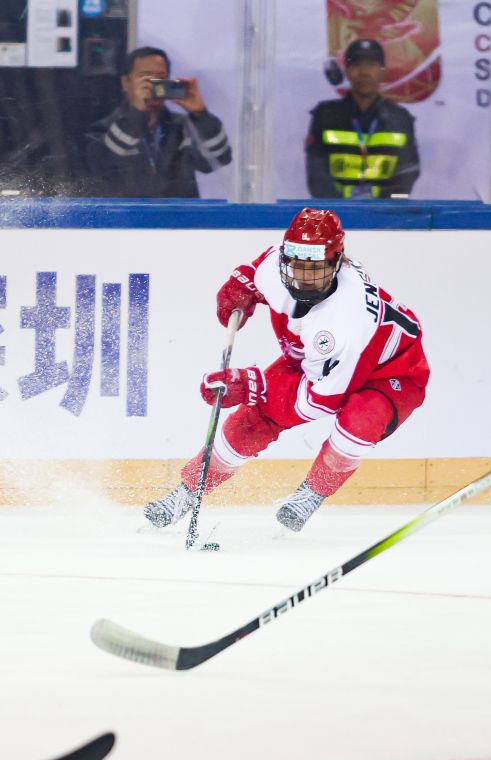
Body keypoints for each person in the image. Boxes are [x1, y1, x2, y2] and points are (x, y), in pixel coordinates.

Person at [144, 208, 430, 533]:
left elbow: (318, 402)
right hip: (314, 356)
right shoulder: (276, 266)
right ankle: (186, 494)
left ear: (337, 263)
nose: (303, 276)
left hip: (391, 371)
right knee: (254, 419)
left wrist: (251, 385)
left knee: (361, 419)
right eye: (296, 264)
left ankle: (312, 493)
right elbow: (254, 272)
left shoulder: (345, 323)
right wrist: (241, 289)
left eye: (315, 268)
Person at [84, 46, 231, 198]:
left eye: (161, 78)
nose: (153, 85)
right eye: (145, 77)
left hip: (178, 213)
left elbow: (218, 159)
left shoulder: (181, 127)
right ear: (126, 83)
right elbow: (105, 163)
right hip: (129, 213)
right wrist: (137, 112)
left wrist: (201, 115)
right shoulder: (103, 129)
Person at [305, 39, 420, 199]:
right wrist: (340, 207)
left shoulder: (400, 119)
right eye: (357, 65)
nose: (364, 72)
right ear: (347, 71)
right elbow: (317, 176)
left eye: (371, 65)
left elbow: (407, 174)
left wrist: (382, 207)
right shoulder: (325, 116)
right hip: (336, 212)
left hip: (386, 212)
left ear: (383, 71)